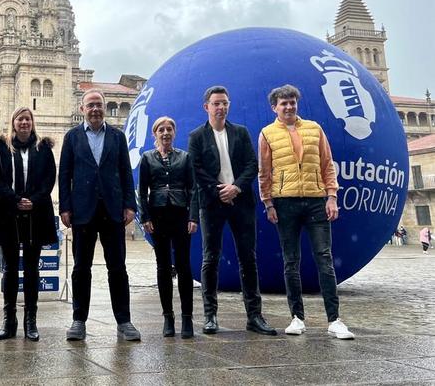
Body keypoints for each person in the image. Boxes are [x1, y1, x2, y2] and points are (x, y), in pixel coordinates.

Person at [259, 84, 354, 340]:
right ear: (274, 108)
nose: (288, 107)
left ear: (296, 104)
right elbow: (264, 173)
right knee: (291, 261)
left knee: (324, 258)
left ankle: (334, 320)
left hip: (315, 201)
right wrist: (268, 203)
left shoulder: (314, 129)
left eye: (292, 102)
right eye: (283, 103)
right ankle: (297, 318)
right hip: (285, 203)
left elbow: (327, 164)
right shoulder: (267, 134)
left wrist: (332, 197)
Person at [188, 86, 276, 336]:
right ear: (207, 107)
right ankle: (210, 315)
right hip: (212, 204)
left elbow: (252, 164)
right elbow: (196, 169)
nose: (221, 107)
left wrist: (236, 187)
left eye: (225, 103)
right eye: (216, 103)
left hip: (241, 202)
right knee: (210, 259)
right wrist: (219, 190)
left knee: (248, 258)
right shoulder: (197, 137)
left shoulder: (240, 132)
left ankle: (254, 316)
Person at [59, 88, 141, 342]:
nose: (95, 109)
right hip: (83, 212)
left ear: (104, 109)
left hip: (112, 210)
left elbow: (126, 173)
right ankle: (78, 320)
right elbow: (64, 174)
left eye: (99, 105)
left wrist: (130, 205)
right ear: (82, 108)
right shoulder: (72, 137)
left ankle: (124, 321)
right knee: (81, 268)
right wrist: (64, 207)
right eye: (90, 105)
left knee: (117, 268)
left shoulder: (117, 137)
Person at [0, 107, 58, 342]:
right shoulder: (1, 148)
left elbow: (50, 177)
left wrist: (34, 200)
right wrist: (16, 199)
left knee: (32, 268)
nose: (24, 122)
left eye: (28, 119)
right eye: (20, 119)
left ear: (32, 122)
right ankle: (9, 320)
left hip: (36, 213)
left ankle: (31, 320)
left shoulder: (43, 148)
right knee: (9, 268)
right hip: (9, 211)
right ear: (13, 122)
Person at [138, 116, 198, 338]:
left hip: (180, 215)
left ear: (174, 132)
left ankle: (187, 318)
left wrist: (193, 217)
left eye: (169, 129)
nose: (165, 133)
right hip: (158, 216)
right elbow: (142, 191)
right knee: (163, 267)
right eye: (161, 129)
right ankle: (168, 317)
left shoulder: (185, 157)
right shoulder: (147, 158)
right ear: (155, 134)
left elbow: (193, 190)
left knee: (183, 266)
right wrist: (145, 218)